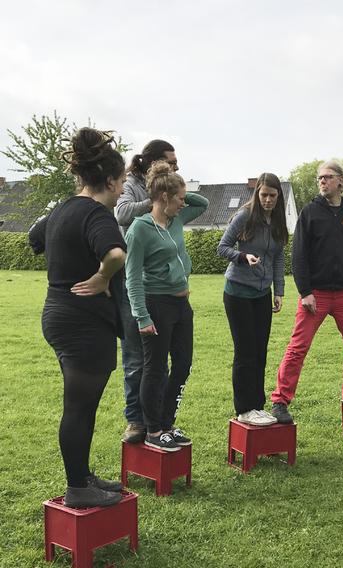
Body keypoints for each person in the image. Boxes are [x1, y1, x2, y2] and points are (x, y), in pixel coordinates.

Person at [29, 127, 127, 507]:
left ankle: (83, 476)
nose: (121, 190)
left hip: (57, 314)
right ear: (108, 180)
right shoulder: (97, 214)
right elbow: (116, 253)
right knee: (80, 406)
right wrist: (102, 276)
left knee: (81, 405)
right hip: (83, 322)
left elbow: (35, 240)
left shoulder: (61, 210)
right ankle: (78, 487)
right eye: (120, 183)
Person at [269, 161, 343, 425]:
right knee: (298, 348)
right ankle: (280, 401)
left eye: (327, 177)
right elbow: (298, 257)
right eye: (319, 178)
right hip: (315, 295)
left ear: (340, 181)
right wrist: (305, 292)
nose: (322, 181)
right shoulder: (309, 213)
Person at [125, 161, 209, 451]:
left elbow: (204, 203)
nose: (184, 204)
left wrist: (170, 179)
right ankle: (153, 429)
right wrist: (142, 315)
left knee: (183, 365)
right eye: (179, 199)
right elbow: (132, 277)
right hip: (155, 304)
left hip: (181, 303)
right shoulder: (139, 229)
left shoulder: (176, 220)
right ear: (163, 198)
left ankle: (167, 423)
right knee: (156, 368)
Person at [114, 139, 176, 444]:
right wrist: (153, 202)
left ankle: (159, 419)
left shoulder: (170, 188)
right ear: (152, 162)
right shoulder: (131, 185)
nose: (176, 167)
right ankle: (135, 420)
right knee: (136, 357)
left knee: (159, 356)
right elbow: (122, 213)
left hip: (162, 288)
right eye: (171, 162)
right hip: (133, 283)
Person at [217, 173, 288, 427]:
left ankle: (257, 406)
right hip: (237, 292)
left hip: (262, 294)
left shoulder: (279, 222)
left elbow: (278, 258)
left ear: (279, 196)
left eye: (273, 195)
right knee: (245, 352)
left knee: (260, 352)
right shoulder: (245, 216)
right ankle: (244, 409)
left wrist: (279, 291)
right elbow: (222, 247)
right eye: (264, 195)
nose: (268, 200)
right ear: (257, 193)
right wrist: (242, 256)